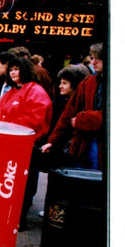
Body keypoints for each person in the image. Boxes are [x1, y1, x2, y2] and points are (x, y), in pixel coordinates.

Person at [0, 55, 53, 231]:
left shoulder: (35, 91)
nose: (13, 73)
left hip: (25, 147)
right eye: (11, 69)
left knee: (24, 186)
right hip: (7, 147)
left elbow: (35, 120)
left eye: (16, 69)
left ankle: (20, 218)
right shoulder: (10, 92)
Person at [42, 43, 105, 171]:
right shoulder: (88, 83)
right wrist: (53, 141)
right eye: (92, 58)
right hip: (85, 145)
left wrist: (84, 120)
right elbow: (68, 114)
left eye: (98, 58)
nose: (94, 62)